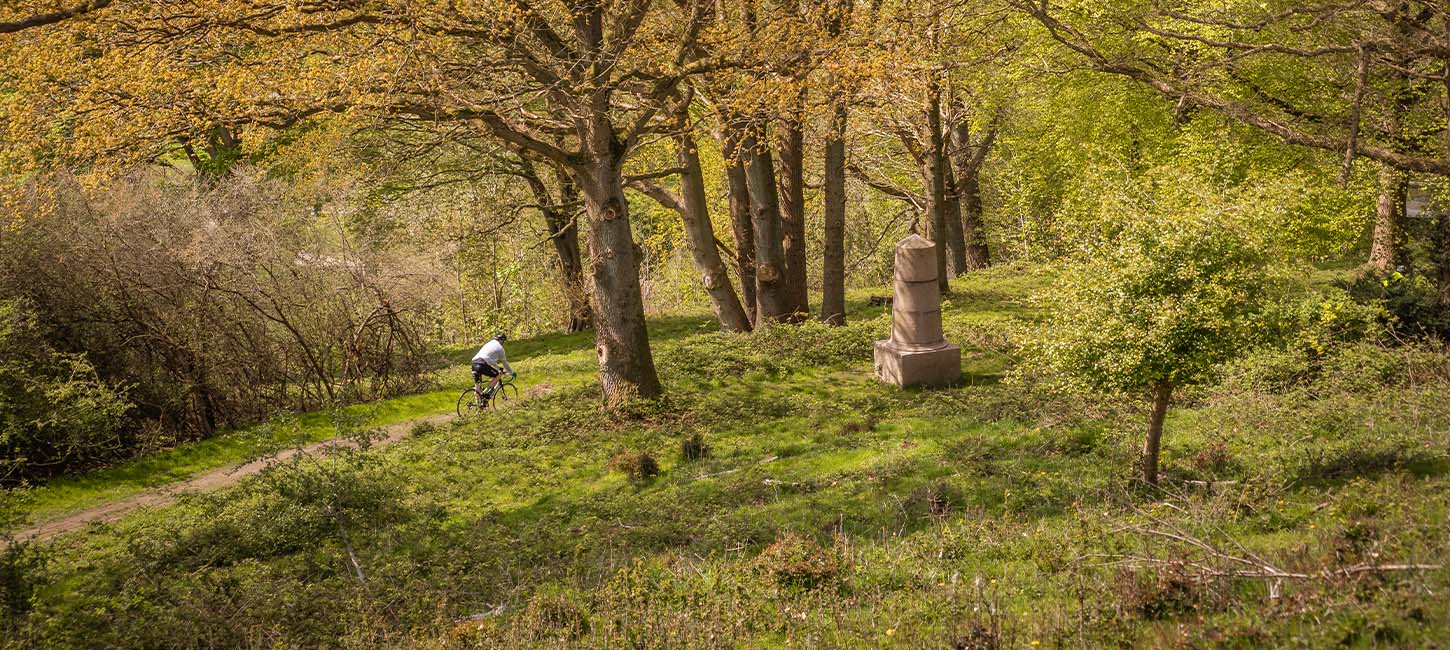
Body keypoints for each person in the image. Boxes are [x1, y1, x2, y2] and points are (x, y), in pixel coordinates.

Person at [471, 333, 517, 403]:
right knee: (498, 375)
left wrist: (497, 367)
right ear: (502, 340)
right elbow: (505, 363)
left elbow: (489, 359)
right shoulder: (500, 349)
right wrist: (511, 372)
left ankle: (478, 405)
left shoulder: (489, 343)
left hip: (474, 362)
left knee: (478, 384)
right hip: (482, 364)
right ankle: (486, 393)